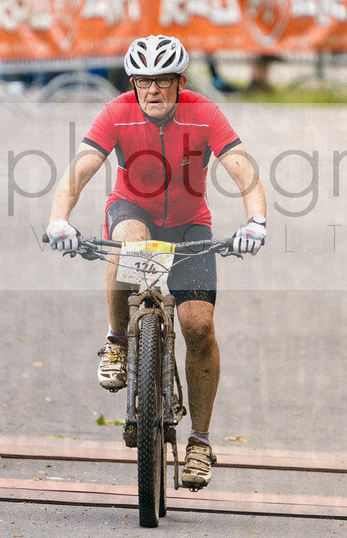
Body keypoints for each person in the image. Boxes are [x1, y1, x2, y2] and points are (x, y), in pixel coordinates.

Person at [45, 35, 267, 490]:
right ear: (133, 82)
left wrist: (256, 221)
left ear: (180, 82)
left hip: (190, 226)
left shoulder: (204, 113)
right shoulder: (116, 113)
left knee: (199, 328)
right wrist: (58, 220)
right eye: (144, 81)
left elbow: (243, 169)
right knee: (132, 245)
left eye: (163, 82)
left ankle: (200, 443)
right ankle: (117, 343)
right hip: (133, 210)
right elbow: (81, 169)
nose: (153, 91)